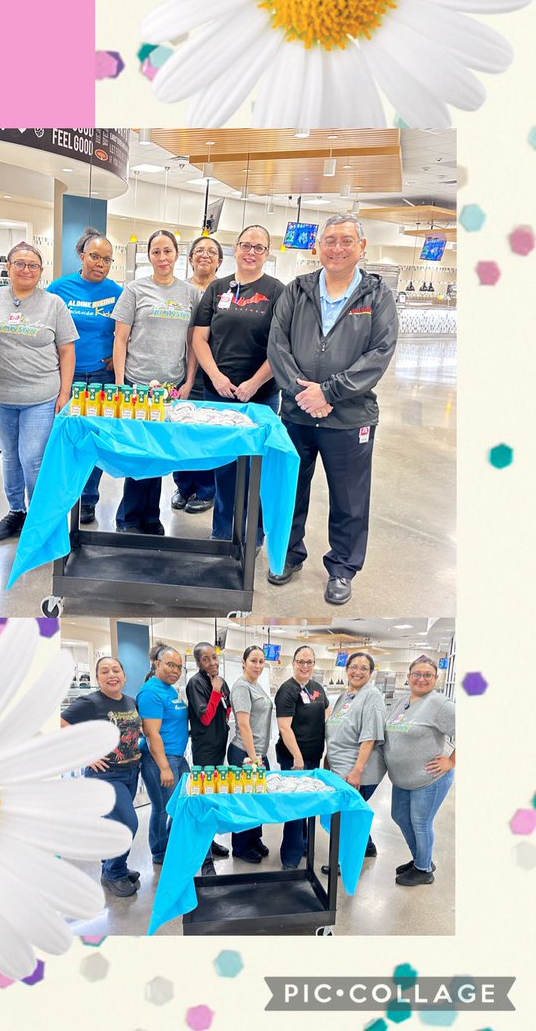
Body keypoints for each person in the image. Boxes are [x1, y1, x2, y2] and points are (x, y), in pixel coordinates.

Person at [267, 214, 399, 606]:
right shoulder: (298, 290)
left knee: (349, 499)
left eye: (346, 241)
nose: (337, 248)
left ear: (362, 247)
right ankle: (286, 557)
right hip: (296, 413)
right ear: (318, 246)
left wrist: (330, 393)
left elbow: (380, 353)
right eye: (330, 241)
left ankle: (342, 568)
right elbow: (278, 344)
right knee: (292, 489)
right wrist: (300, 392)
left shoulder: (377, 296)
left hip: (350, 417)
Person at [0, 242, 78, 543]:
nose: (26, 269)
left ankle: (40, 517)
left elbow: (67, 350)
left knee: (32, 459)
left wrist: (64, 392)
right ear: (8, 267)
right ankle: (16, 511)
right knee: (9, 456)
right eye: (20, 263)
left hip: (40, 395)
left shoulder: (53, 304)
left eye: (33, 265)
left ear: (41, 271)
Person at [192, 223, 284, 546]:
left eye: (259, 247)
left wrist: (253, 383)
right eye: (246, 245)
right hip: (217, 394)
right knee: (225, 466)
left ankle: (253, 535)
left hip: (260, 397)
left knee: (255, 469)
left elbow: (281, 347)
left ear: (267, 253)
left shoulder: (277, 292)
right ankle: (221, 531)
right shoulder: (217, 289)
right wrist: (216, 376)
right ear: (236, 249)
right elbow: (199, 338)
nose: (251, 252)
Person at [112, 229, 199, 534]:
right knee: (138, 452)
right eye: (156, 252)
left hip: (172, 387)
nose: (162, 258)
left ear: (177, 254)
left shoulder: (190, 293)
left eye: (168, 251)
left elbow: (193, 341)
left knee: (160, 453)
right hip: (137, 384)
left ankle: (151, 515)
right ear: (148, 256)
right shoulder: (134, 290)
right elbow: (120, 338)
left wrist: (188, 381)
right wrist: (121, 383)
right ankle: (129, 517)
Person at [47, 229, 123, 525]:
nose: (100, 264)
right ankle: (65, 495)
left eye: (106, 259)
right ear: (82, 256)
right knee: (67, 439)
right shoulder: (59, 288)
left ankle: (89, 498)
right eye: (94, 256)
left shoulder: (117, 292)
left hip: (102, 377)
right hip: (68, 378)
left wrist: (116, 361)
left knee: (95, 440)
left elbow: (128, 332)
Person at [61, 656, 143, 897]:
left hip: (131, 771)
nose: (111, 675)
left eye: (116, 670)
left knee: (115, 824)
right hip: (107, 775)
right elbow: (60, 723)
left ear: (124, 676)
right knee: (128, 823)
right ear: (98, 678)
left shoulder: (130, 701)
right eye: (105, 671)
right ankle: (113, 874)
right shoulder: (89, 702)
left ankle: (115, 864)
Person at [385, 655, 455, 887]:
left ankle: (423, 869)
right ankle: (421, 859)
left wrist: (451, 761)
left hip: (428, 779)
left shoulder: (439, 704)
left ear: (436, 678)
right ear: (409, 676)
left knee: (421, 822)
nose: (421, 679)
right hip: (403, 779)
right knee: (399, 816)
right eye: (416, 674)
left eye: (427, 675)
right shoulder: (402, 701)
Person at [322, 651, 386, 873]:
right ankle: (366, 847)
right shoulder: (346, 695)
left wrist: (357, 771)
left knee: (347, 817)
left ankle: (347, 862)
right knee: (352, 813)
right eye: (353, 666)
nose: (357, 672)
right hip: (340, 768)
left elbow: (370, 736)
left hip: (358, 770)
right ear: (346, 669)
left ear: (371, 672)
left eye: (364, 668)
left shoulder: (372, 696)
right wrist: (328, 760)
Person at [172, 235, 223, 515]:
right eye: (199, 250)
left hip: (211, 373)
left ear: (220, 261)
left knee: (203, 432)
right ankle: (183, 486)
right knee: (180, 430)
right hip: (178, 370)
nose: (205, 255)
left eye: (211, 251)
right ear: (190, 258)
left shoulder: (225, 291)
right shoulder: (179, 290)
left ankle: (206, 489)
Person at [274, 646, 329, 870]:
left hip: (314, 756)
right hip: (294, 759)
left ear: (314, 664)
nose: (305, 666)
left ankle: (304, 844)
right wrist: (297, 757)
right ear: (293, 663)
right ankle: (290, 856)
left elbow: (325, 711)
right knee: (294, 808)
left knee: (307, 805)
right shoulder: (287, 690)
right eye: (300, 661)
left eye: (309, 662)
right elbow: (284, 727)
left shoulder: (317, 688)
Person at [138, 644, 189, 865]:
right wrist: (165, 767)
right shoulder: (151, 692)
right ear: (157, 664)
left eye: (179, 667)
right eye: (170, 665)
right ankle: (159, 851)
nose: (175, 671)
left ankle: (169, 842)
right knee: (162, 808)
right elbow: (152, 733)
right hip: (160, 759)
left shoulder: (169, 690)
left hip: (177, 756)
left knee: (180, 803)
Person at [186, 641, 232, 875]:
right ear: (198, 663)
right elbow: (204, 717)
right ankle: (204, 860)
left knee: (214, 797)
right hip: (204, 750)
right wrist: (214, 691)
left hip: (218, 748)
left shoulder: (221, 682)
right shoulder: (196, 683)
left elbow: (227, 708)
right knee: (204, 800)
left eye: (214, 657)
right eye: (206, 659)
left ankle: (209, 842)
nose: (212, 662)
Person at [228, 645, 274, 863]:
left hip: (258, 753)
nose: (257, 665)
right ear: (244, 662)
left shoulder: (257, 685)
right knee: (245, 801)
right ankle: (241, 846)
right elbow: (244, 725)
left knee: (257, 800)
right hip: (244, 753)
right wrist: (254, 757)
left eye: (261, 661)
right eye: (253, 661)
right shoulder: (241, 687)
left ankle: (255, 839)